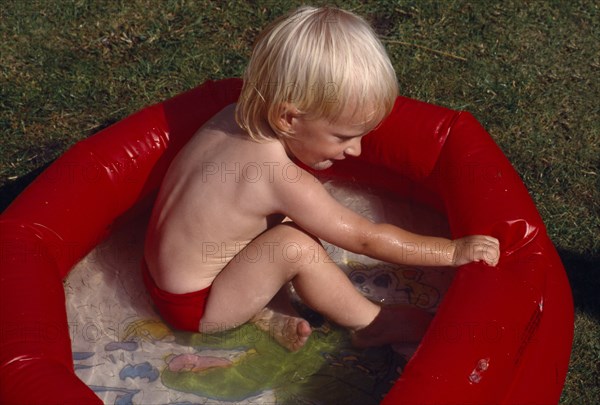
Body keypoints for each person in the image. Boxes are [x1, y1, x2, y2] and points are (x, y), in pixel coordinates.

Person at [143, 6, 500, 352]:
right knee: (293, 245)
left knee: (289, 221)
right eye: (344, 137)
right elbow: (365, 239)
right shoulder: (279, 177)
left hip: (158, 271)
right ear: (288, 119)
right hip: (196, 307)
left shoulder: (230, 116)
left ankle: (268, 312)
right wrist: (451, 251)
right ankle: (372, 324)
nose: (357, 151)